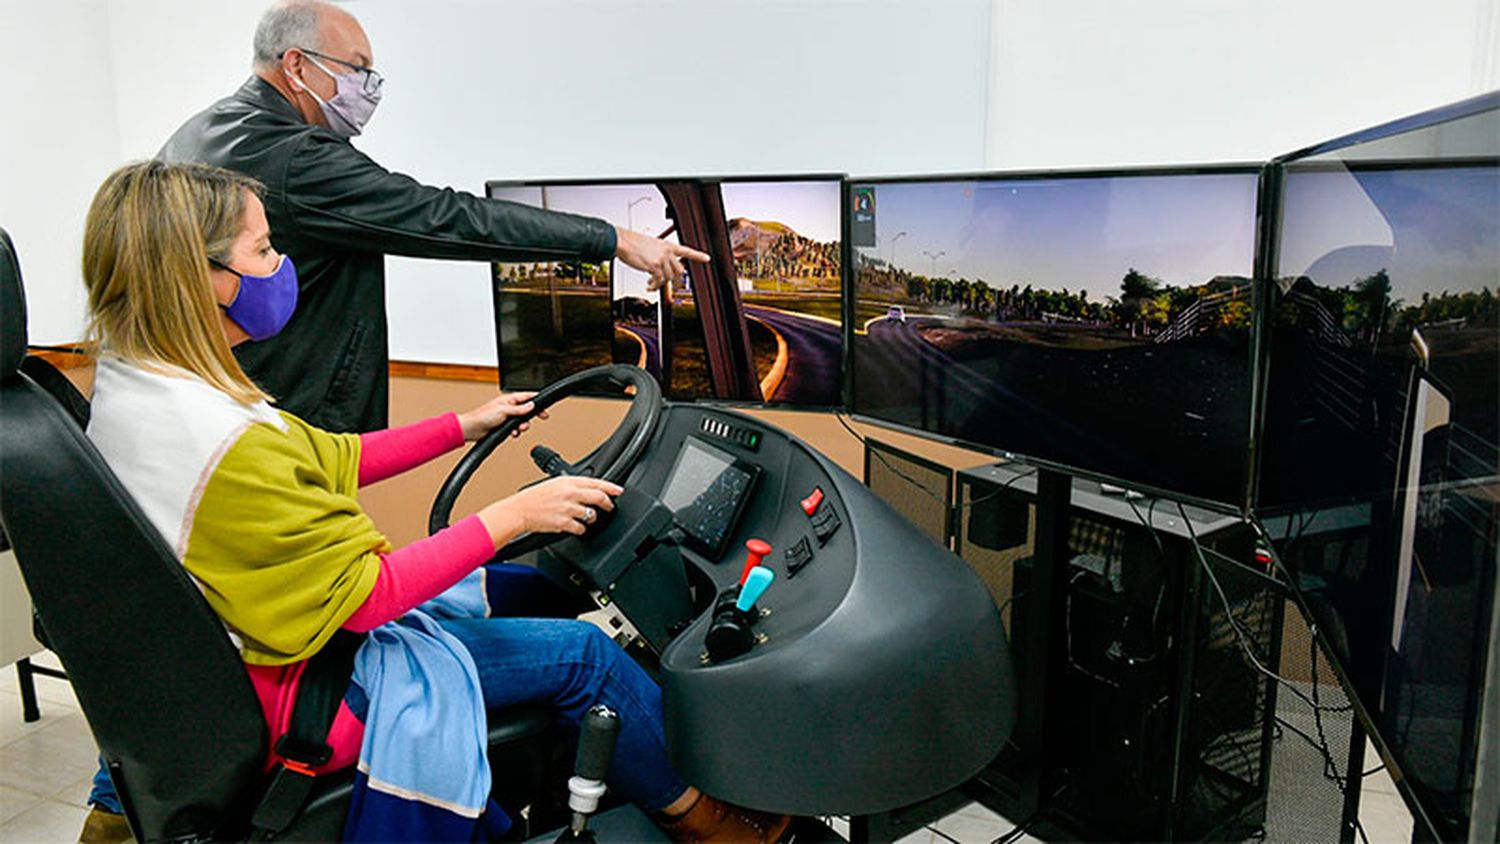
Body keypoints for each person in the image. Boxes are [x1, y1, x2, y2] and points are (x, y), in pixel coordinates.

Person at [75, 160, 787, 843]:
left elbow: (329, 457)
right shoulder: (219, 435)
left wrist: (463, 425)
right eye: (262, 250)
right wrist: (514, 515)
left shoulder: (144, 388)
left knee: (532, 586)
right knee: (584, 653)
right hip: (309, 688)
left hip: (239, 663)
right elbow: (365, 600)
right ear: (198, 280)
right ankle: (713, 825)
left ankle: (602, 769)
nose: (280, 266)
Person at [159, 0, 709, 434]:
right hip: (292, 417)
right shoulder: (298, 157)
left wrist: (461, 426)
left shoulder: (198, 132)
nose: (367, 87)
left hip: (224, 403)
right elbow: (445, 217)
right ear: (296, 65)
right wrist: (610, 238)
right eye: (356, 69)